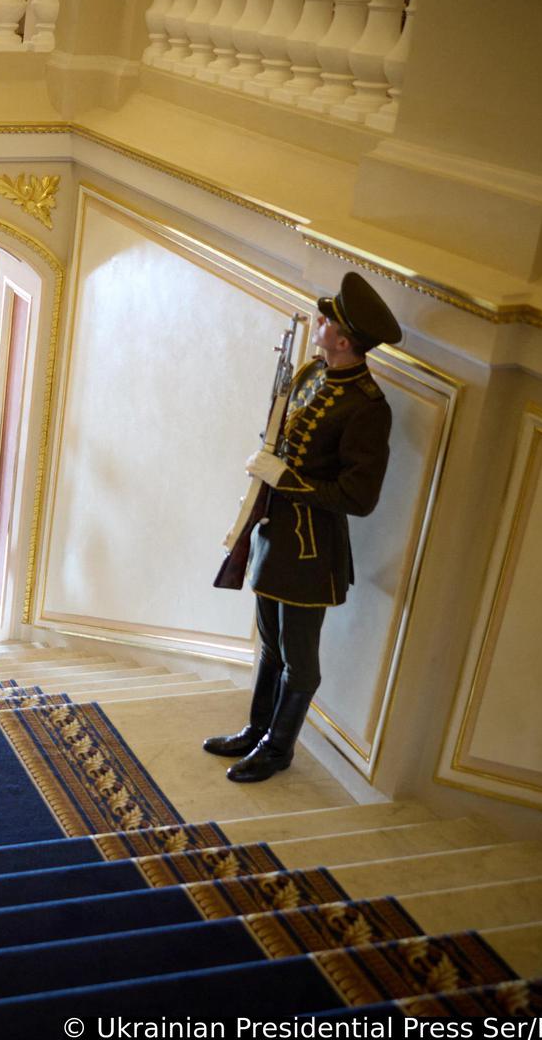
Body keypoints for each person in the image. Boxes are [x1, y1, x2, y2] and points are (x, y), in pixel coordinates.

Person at [204, 272, 402, 784]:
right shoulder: (313, 372)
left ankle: (278, 749)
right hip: (275, 534)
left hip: (312, 551)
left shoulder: (367, 406)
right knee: (268, 643)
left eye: (328, 318)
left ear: (343, 339)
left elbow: (359, 498)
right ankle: (256, 730)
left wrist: (286, 479)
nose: (320, 321)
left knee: (300, 659)